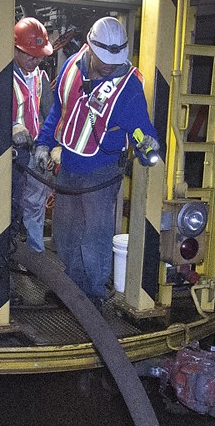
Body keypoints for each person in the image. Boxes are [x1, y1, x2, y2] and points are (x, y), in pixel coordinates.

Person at [33, 16, 160, 302]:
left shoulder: (128, 86)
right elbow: (59, 112)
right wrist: (44, 143)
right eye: (104, 59)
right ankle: (72, 288)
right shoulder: (71, 68)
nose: (109, 65)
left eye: (115, 60)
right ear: (90, 47)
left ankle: (92, 295)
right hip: (68, 167)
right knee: (66, 232)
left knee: (95, 236)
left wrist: (147, 144)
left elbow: (140, 126)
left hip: (100, 171)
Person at [10, 17, 53, 252]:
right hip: (10, 155)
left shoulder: (40, 77)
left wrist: (49, 145)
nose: (35, 61)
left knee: (36, 205)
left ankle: (35, 254)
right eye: (29, 55)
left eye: (39, 56)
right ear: (15, 49)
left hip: (35, 151)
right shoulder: (0, 76)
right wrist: (11, 128)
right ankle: (9, 256)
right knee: (11, 206)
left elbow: (50, 114)